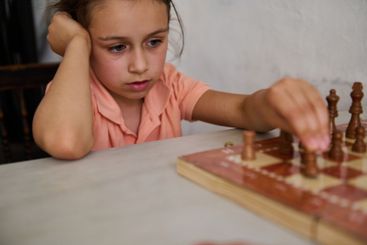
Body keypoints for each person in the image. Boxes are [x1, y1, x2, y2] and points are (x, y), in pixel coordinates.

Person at [33, 0, 330, 160]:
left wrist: (272, 103)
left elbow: (243, 111)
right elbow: (66, 143)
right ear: (86, 39)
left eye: (154, 42)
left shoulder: (170, 85)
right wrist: (76, 45)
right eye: (117, 47)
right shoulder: (74, 95)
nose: (140, 66)